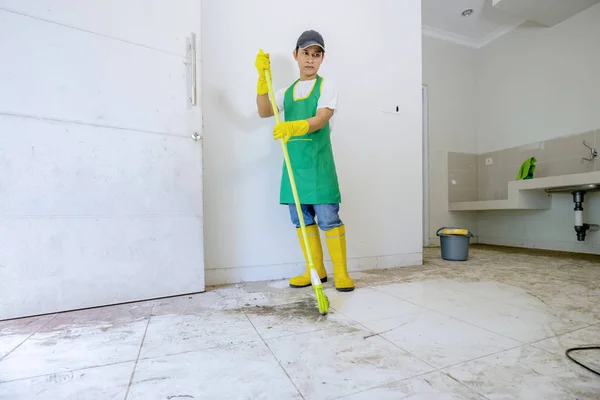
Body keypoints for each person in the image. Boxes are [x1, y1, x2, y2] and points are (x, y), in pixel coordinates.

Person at [254, 29, 354, 292]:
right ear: (295, 55)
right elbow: (264, 111)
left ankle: (341, 273)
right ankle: (316, 270)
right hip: (294, 168)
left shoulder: (326, 85)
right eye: (306, 53)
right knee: (302, 219)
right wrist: (262, 83)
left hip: (319, 167)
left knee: (328, 218)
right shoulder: (286, 91)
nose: (311, 59)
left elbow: (322, 119)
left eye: (316, 54)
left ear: (322, 59)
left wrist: (292, 127)